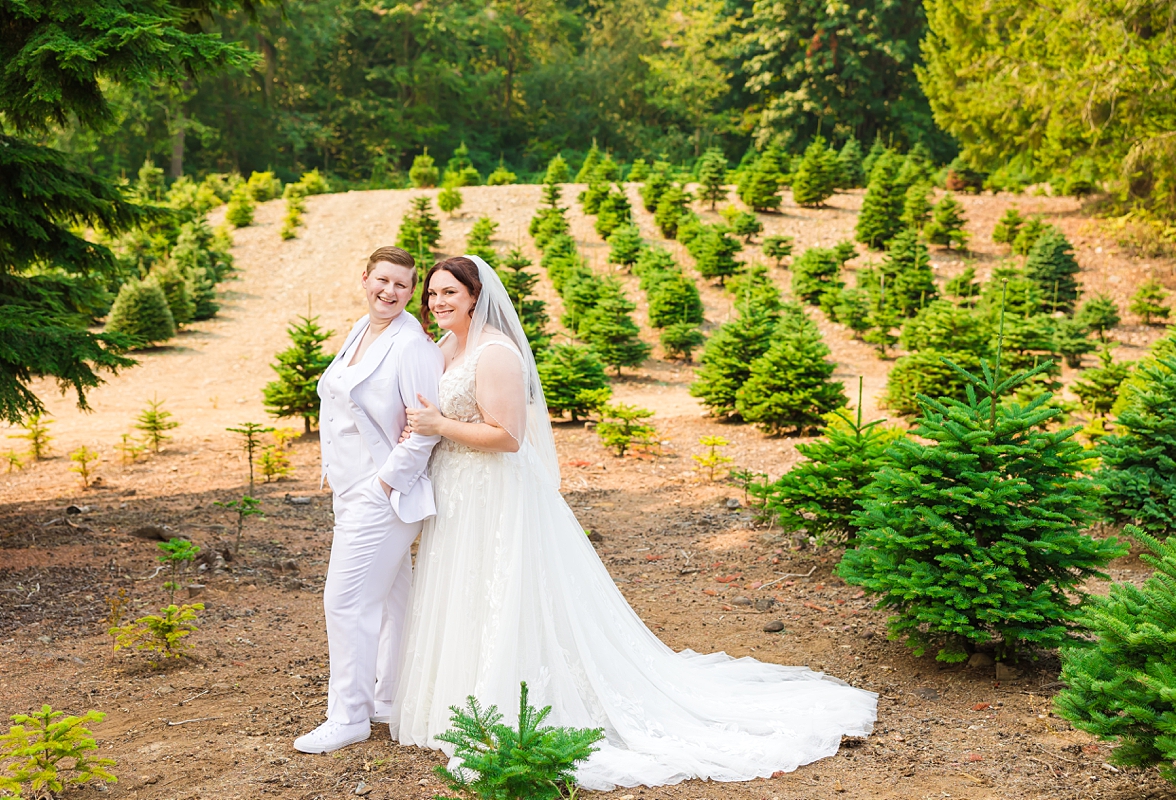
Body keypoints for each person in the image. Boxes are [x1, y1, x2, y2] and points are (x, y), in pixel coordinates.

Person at [390, 255, 877, 790]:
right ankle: (461, 701)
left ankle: (513, 696)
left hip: (496, 493)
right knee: (466, 589)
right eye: (432, 294)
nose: (437, 303)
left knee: (505, 590)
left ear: (476, 297)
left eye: (449, 293)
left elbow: (508, 436)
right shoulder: (445, 349)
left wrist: (439, 423)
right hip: (459, 493)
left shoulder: (496, 354)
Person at [293, 246, 444, 755]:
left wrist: (384, 484)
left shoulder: (414, 347)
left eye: (402, 285)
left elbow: (423, 431)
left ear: (411, 291)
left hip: (383, 494)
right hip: (350, 488)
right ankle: (387, 697)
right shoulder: (362, 329)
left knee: (346, 602)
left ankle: (349, 716)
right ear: (365, 278)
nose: (390, 292)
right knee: (390, 599)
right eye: (383, 280)